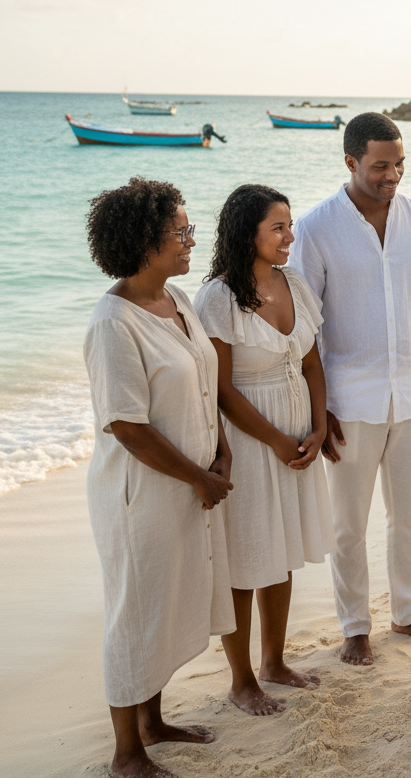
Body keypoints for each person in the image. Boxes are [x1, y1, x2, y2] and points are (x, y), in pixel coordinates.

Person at [291, 111, 411, 668]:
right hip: (349, 402)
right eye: (381, 166)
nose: (393, 175)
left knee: (409, 516)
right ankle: (355, 626)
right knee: (348, 527)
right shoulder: (315, 228)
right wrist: (320, 411)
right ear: (351, 162)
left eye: (400, 164)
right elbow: (303, 326)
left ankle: (407, 613)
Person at [83, 177, 234, 778]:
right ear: (146, 242)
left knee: (164, 607)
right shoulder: (113, 323)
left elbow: (206, 383)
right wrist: (199, 476)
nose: (191, 241)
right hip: (139, 495)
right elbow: (126, 426)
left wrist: (220, 452)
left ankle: (154, 722)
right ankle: (126, 753)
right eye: (181, 232)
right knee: (135, 613)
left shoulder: (178, 301)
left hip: (190, 482)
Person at [194, 184, 334, 716]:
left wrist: (318, 429)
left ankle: (275, 662)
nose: (290, 236)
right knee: (247, 558)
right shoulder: (218, 297)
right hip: (254, 442)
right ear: (246, 232)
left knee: (282, 550)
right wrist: (275, 440)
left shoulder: (294, 282)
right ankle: (241, 678)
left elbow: (313, 363)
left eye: (290, 225)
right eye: (278, 227)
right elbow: (223, 389)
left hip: (299, 433)